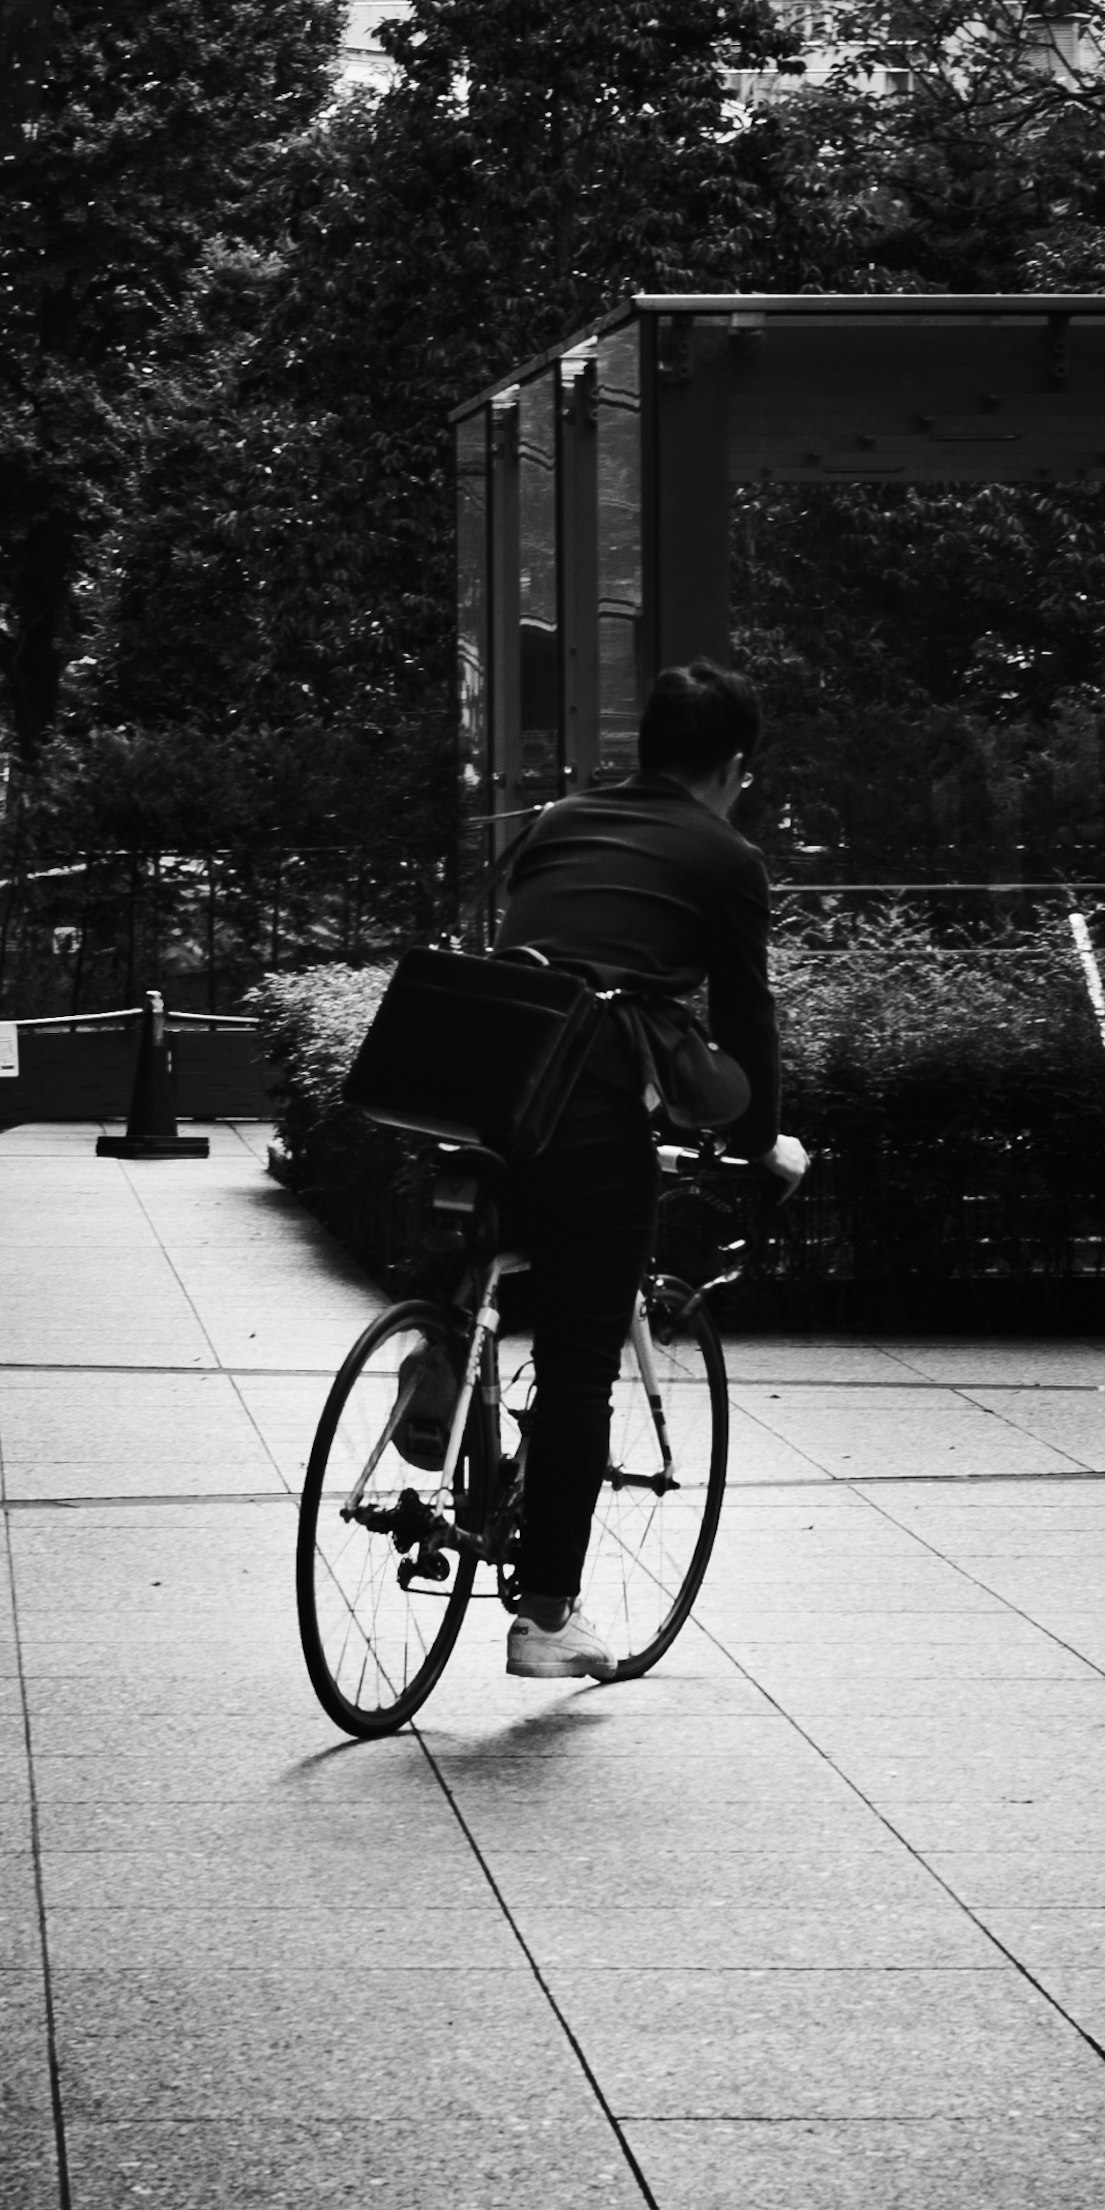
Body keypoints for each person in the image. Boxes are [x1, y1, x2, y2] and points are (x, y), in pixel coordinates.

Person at [430, 654, 781, 1684]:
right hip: (587, 1098)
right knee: (584, 1357)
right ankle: (546, 1617)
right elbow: (746, 1017)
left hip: (481, 1075)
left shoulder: (559, 821)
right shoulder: (725, 856)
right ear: (732, 764)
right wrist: (762, 1141)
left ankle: (435, 1363)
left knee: (486, 1270)